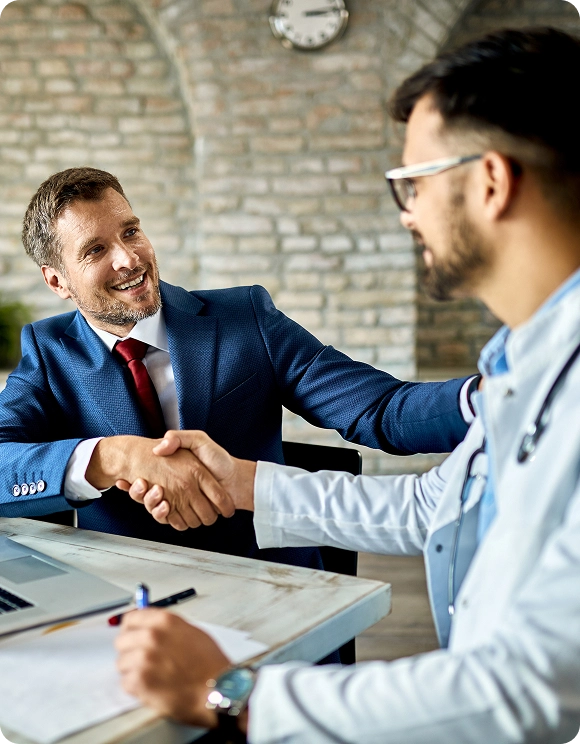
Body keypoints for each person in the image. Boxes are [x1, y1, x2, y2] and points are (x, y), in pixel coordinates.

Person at [116, 27, 580, 743]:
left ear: (489, 181)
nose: (407, 213)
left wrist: (234, 695)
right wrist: (242, 482)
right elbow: (437, 503)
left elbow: (529, 689)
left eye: (412, 184)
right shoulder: (527, 358)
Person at [0, 167, 473, 572]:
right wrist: (116, 457)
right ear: (57, 280)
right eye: (95, 250)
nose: (128, 259)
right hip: (130, 601)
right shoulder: (47, 352)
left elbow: (382, 408)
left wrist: (488, 401)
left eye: (130, 231)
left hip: (272, 580)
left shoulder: (246, 318)